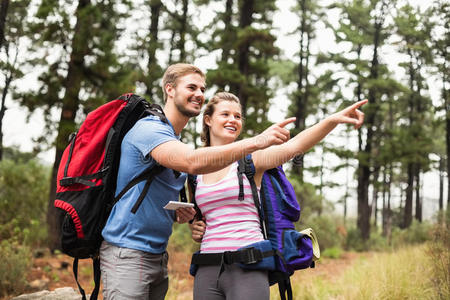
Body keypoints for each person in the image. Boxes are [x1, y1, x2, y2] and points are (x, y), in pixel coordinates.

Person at [99, 63, 295, 300]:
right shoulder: (150, 130)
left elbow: (152, 195)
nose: (199, 94)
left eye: (202, 89)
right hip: (126, 252)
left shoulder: (174, 139)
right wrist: (258, 141)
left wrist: (185, 217)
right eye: (191, 87)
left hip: (157, 255)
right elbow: (192, 161)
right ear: (169, 90)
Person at [189, 92, 367, 300]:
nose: (233, 120)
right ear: (208, 119)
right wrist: (195, 226)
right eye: (225, 114)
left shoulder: (251, 161)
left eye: (237, 116)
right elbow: (199, 216)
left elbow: (294, 146)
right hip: (207, 268)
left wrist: (331, 120)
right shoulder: (195, 169)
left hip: (249, 265)